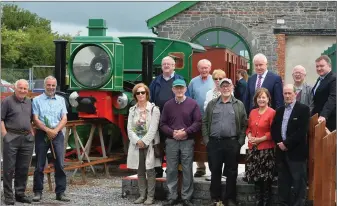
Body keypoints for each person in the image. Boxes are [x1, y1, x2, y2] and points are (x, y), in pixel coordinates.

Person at [202, 78, 247, 206]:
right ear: (219, 88)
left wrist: (240, 141)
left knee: (232, 172)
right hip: (214, 143)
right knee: (215, 170)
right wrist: (207, 140)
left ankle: (230, 198)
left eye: (228, 86)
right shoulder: (212, 104)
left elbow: (244, 124)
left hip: (232, 143)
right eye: (223, 86)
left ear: (232, 87)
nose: (226, 88)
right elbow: (204, 122)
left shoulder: (239, 104)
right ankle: (215, 198)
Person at [160, 79, 201, 206]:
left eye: (181, 88)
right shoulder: (168, 105)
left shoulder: (193, 104)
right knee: (171, 169)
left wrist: (186, 132)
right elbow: (162, 123)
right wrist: (172, 133)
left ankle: (186, 197)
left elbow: (198, 122)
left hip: (187, 141)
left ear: (185, 89)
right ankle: (172, 196)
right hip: (171, 141)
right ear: (173, 89)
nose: (179, 90)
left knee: (187, 169)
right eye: (176, 88)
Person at [149, 56, 189, 178]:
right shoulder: (155, 81)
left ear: (173, 66)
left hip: (176, 118)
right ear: (161, 67)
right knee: (158, 143)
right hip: (159, 117)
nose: (166, 66)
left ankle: (176, 169)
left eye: (169, 64)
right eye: (164, 64)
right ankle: (158, 168)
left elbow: (187, 98)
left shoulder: (180, 80)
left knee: (175, 144)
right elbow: (150, 98)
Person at [32, 76, 70, 202]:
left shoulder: (60, 100)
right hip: (42, 134)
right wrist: (47, 131)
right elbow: (35, 119)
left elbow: (64, 118)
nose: (51, 88)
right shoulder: (37, 100)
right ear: (44, 86)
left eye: (53, 85)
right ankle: (38, 192)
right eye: (49, 85)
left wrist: (55, 131)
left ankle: (60, 192)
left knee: (59, 163)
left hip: (57, 134)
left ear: (56, 86)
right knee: (39, 164)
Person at [271, 84, 310, 206]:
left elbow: (302, 131)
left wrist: (286, 143)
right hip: (281, 152)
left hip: (296, 152)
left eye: (289, 93)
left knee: (299, 182)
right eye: (285, 93)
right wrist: (279, 143)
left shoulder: (303, 109)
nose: (287, 96)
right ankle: (283, 203)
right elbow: (274, 129)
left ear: (295, 94)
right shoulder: (280, 110)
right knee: (283, 182)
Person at [126, 83, 161, 205]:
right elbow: (129, 128)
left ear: (147, 94)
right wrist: (137, 141)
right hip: (136, 145)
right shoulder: (132, 110)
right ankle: (142, 195)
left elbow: (153, 128)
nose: (140, 95)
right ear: (135, 95)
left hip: (150, 144)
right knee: (140, 171)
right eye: (138, 93)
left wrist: (145, 141)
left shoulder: (154, 109)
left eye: (143, 92)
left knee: (150, 171)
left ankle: (150, 197)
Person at [1, 79, 35, 205]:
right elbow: (1, 119)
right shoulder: (7, 101)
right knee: (9, 168)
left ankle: (20, 194)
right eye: (20, 88)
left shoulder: (29, 102)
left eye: (25, 88)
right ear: (15, 88)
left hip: (27, 139)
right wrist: (5, 136)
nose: (23, 90)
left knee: (23, 168)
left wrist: (31, 133)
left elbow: (30, 119)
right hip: (12, 137)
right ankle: (8, 196)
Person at [245, 88, 276, 205]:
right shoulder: (253, 112)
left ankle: (266, 202)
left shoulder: (272, 112)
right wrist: (249, 136)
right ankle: (258, 201)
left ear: (268, 99)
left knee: (266, 179)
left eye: (264, 97)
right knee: (256, 178)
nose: (261, 99)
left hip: (266, 150)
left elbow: (273, 132)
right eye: (259, 97)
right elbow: (248, 128)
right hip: (253, 149)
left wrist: (259, 139)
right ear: (256, 99)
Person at [188, 59, 214, 178]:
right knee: (198, 142)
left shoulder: (215, 80)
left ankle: (213, 167)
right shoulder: (193, 82)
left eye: (206, 68)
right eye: (202, 68)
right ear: (198, 69)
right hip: (197, 117)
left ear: (210, 68)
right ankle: (200, 167)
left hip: (212, 118)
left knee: (210, 142)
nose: (204, 70)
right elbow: (189, 98)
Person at [203, 69, 227, 182]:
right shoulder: (209, 93)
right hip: (212, 125)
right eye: (215, 79)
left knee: (224, 151)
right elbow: (205, 108)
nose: (218, 81)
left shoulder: (229, 92)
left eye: (220, 78)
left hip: (225, 127)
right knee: (212, 152)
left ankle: (222, 173)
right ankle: (213, 173)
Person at [311, 55, 336, 131]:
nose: (319, 68)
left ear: (329, 66)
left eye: (321, 66)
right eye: (317, 66)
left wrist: (323, 115)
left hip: (329, 119)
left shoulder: (334, 79)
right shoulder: (320, 79)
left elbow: (333, 98)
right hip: (318, 118)